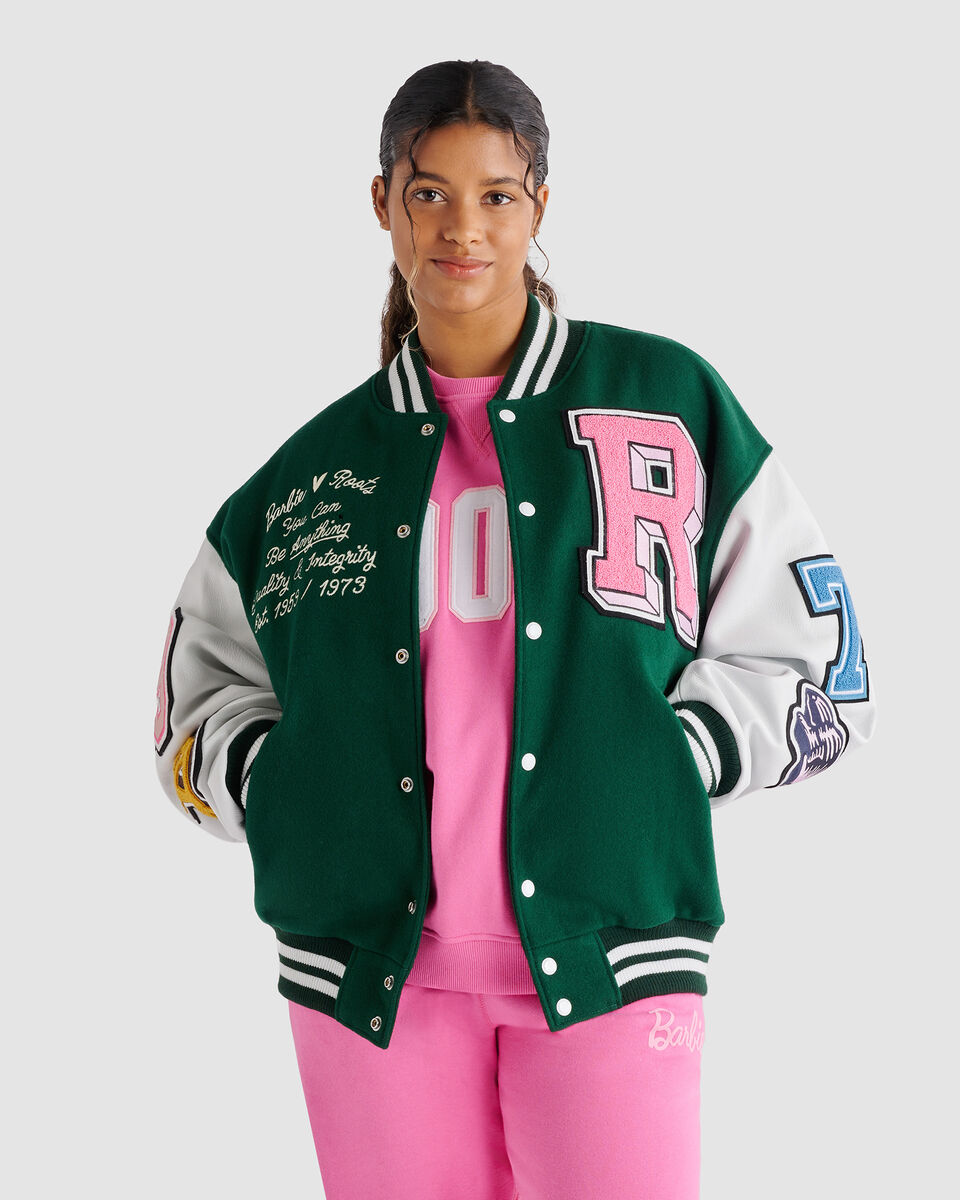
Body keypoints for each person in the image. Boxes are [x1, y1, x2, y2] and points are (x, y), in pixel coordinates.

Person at [153, 59, 877, 1200]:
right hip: (367, 978)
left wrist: (668, 758)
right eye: (429, 192)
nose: (463, 227)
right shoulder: (310, 472)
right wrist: (282, 786)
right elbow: (194, 699)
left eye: (496, 194)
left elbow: (823, 655)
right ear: (382, 202)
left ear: (540, 203)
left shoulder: (665, 399)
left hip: (616, 948)